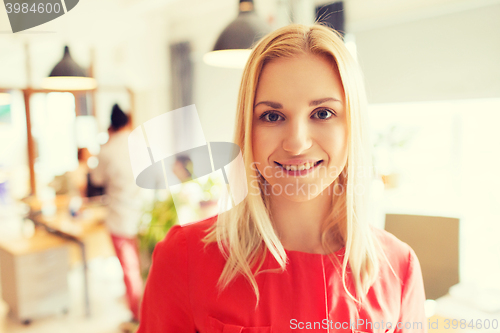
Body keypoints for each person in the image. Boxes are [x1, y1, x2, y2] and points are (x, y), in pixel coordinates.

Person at [137, 24, 427, 333]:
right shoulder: (184, 258)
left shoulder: (399, 267)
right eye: (272, 116)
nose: (297, 143)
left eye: (323, 113)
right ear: (249, 129)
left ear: (352, 126)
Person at [90, 104, 143, 329]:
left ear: (111, 124)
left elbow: (96, 180)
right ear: (128, 122)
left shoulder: (107, 150)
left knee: (130, 271)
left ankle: (138, 316)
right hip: (145, 217)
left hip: (120, 219)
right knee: (147, 267)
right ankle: (147, 312)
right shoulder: (141, 145)